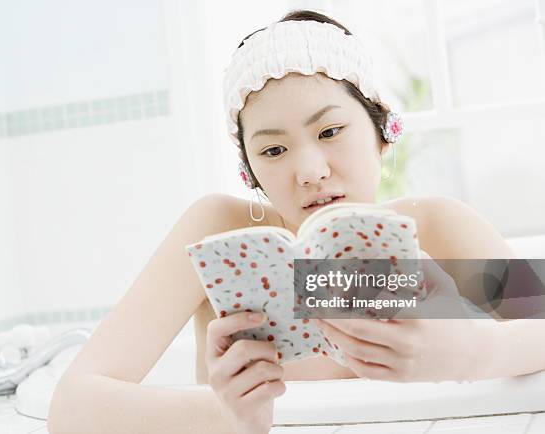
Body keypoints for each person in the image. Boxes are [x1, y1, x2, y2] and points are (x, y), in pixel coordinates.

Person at [48, 10, 544, 434]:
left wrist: (473, 352)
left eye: (330, 130)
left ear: (382, 130)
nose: (309, 171)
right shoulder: (218, 232)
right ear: (250, 169)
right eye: (274, 149)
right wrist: (226, 417)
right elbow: (74, 406)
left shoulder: (438, 227)